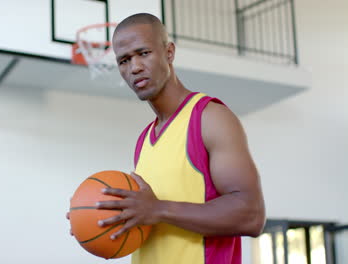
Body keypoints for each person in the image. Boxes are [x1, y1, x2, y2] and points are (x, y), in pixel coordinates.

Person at [92, 13, 266, 264]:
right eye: (124, 60)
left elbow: (251, 215)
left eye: (143, 53)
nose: (135, 67)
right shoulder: (144, 141)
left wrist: (158, 208)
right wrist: (96, 223)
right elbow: (152, 223)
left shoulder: (209, 118)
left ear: (169, 52)